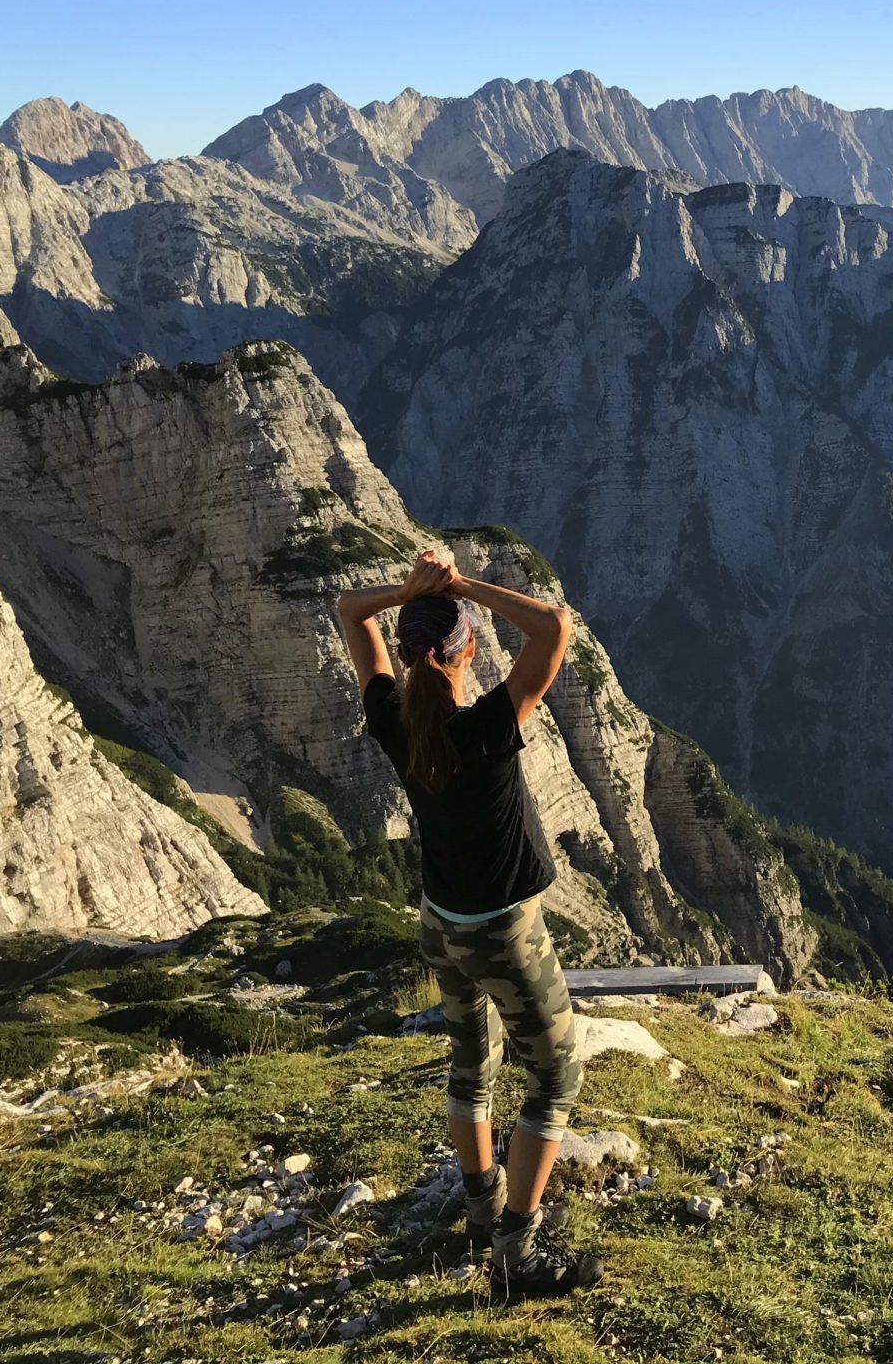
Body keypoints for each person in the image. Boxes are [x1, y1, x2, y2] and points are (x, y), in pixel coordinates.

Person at [336, 548, 600, 1295]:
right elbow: (554, 628)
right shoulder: (486, 726)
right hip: (504, 931)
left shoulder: (393, 721)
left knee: (471, 1064)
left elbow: (350, 612)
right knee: (554, 1076)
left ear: (413, 655)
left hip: (440, 923)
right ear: (468, 649)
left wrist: (406, 590)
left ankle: (483, 1206)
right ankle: (516, 1252)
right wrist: (457, 584)